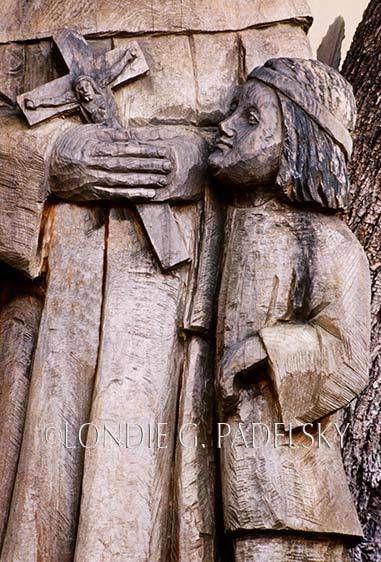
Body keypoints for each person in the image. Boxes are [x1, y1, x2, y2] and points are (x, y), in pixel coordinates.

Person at [209, 58, 371, 562]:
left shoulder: (328, 242)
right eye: (233, 109)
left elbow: (348, 360)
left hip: (292, 492)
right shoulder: (226, 226)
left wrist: (260, 350)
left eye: (251, 118)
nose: (226, 124)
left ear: (300, 142)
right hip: (231, 478)